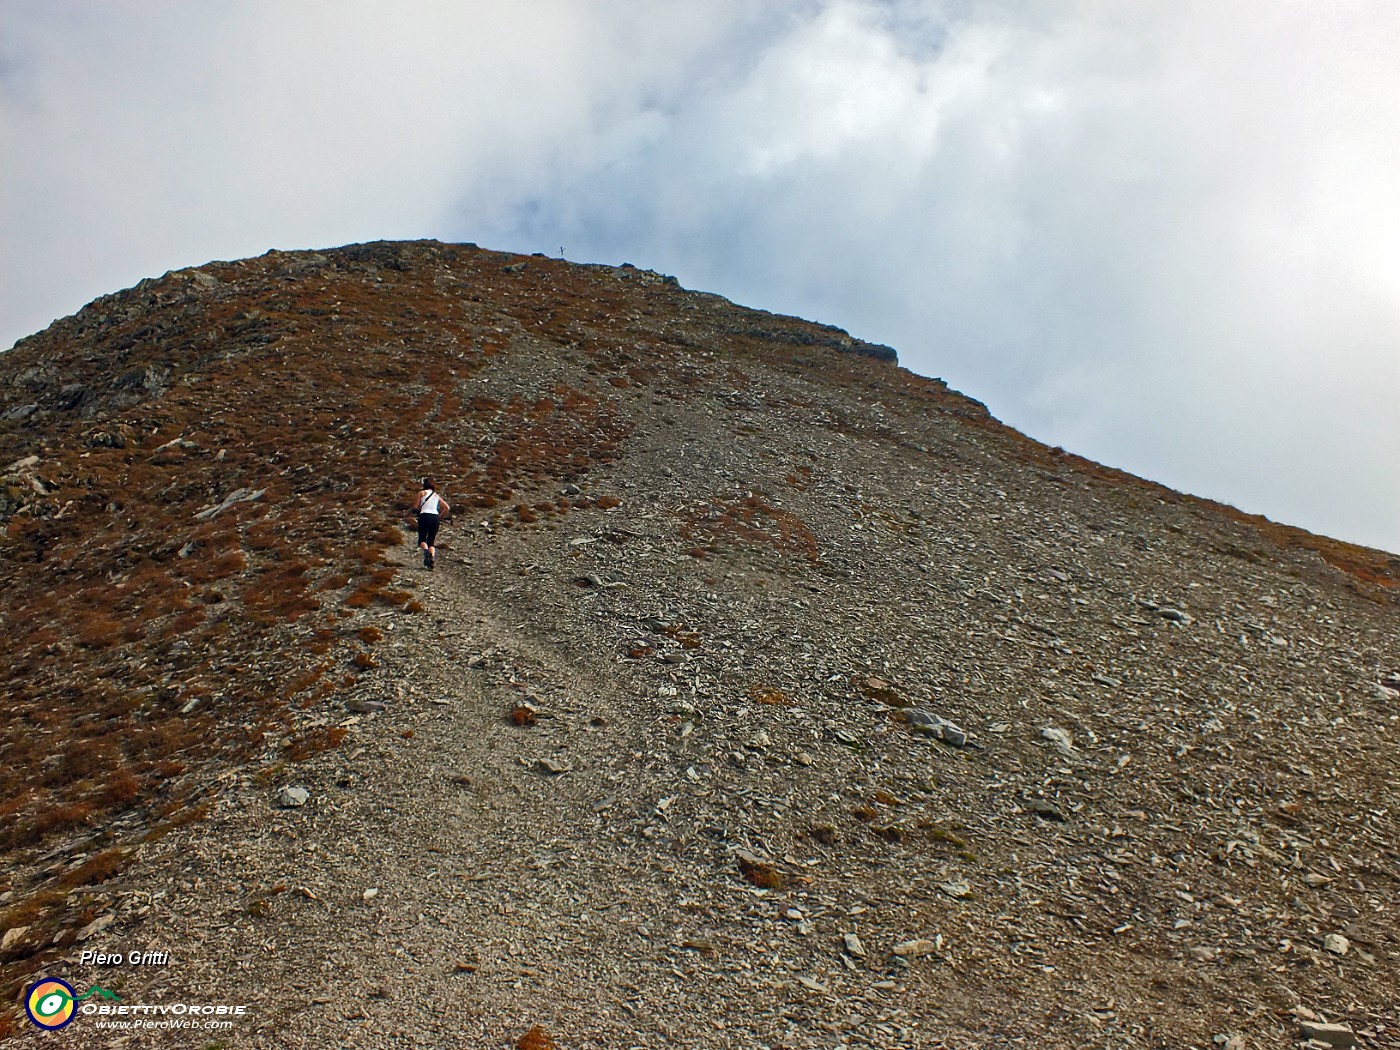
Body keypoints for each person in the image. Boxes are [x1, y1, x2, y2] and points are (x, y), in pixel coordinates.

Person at [414, 477, 450, 569]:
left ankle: (426, 552)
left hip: (424, 516)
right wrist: (439, 517)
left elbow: (416, 507)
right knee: (431, 541)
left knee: (422, 540)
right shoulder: (436, 496)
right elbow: (446, 508)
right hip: (435, 518)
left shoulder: (421, 493)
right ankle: (432, 558)